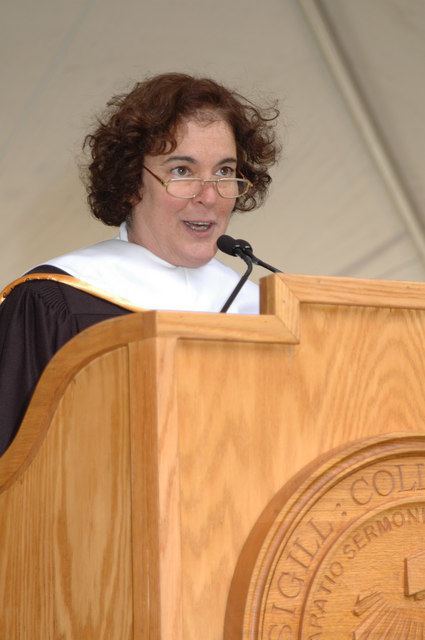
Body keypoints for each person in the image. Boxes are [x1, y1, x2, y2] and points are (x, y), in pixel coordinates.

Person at [0, 72, 280, 455]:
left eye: (224, 172)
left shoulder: (264, 316)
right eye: (182, 171)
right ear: (131, 182)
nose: (209, 196)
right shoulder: (54, 304)